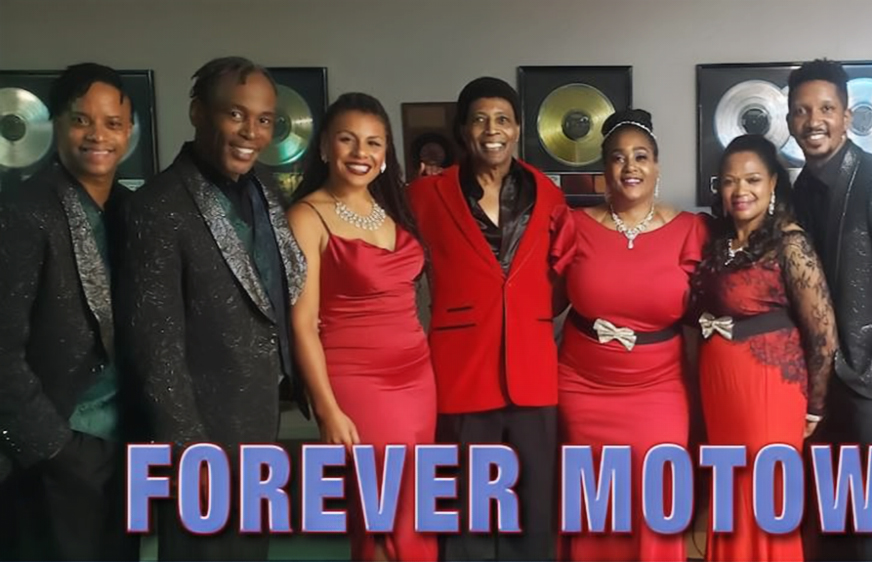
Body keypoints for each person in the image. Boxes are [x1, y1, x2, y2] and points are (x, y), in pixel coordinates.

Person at [115, 56, 307, 561]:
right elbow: (154, 349)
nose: (252, 132)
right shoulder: (156, 206)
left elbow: (277, 286)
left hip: (261, 417)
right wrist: (189, 451)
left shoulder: (265, 189)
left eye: (265, 119)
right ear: (199, 113)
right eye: (235, 114)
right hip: (202, 432)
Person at [408, 76, 565, 561]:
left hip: (534, 370)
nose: (491, 129)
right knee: (466, 508)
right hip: (461, 369)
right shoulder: (424, 196)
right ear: (462, 130)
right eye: (479, 119)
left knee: (534, 509)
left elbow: (561, 275)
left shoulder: (548, 193)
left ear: (517, 128)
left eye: (502, 119)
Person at [550, 108, 707, 561]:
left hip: (659, 389)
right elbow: (544, 305)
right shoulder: (574, 226)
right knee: (593, 507)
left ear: (657, 167)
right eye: (618, 158)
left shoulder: (689, 230)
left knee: (656, 503)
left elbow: (707, 316)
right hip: (583, 388)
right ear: (604, 170)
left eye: (641, 156)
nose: (630, 167)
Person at [787, 58, 872, 561]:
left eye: (826, 108)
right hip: (818, 387)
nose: (813, 120)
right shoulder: (797, 189)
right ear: (788, 122)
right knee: (829, 527)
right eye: (801, 111)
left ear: (848, 116)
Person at [287, 92, 437, 561]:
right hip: (358, 385)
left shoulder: (394, 209)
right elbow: (302, 325)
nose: (361, 153)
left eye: (374, 143)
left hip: (417, 380)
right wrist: (328, 411)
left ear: (386, 152)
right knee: (384, 518)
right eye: (347, 140)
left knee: (417, 511)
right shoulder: (306, 216)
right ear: (325, 147)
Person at [0, 63, 138, 561]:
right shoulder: (22, 211)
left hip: (123, 448)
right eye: (82, 120)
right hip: (56, 450)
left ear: (127, 132)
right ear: (56, 123)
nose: (98, 135)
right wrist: (54, 446)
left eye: (112, 123)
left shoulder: (130, 211)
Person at [691, 134, 837, 561]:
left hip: (769, 392)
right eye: (731, 181)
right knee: (730, 496)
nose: (741, 191)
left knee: (765, 498)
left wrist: (815, 406)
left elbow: (823, 334)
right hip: (721, 394)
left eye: (753, 179)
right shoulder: (718, 242)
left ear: (773, 183)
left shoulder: (790, 244)